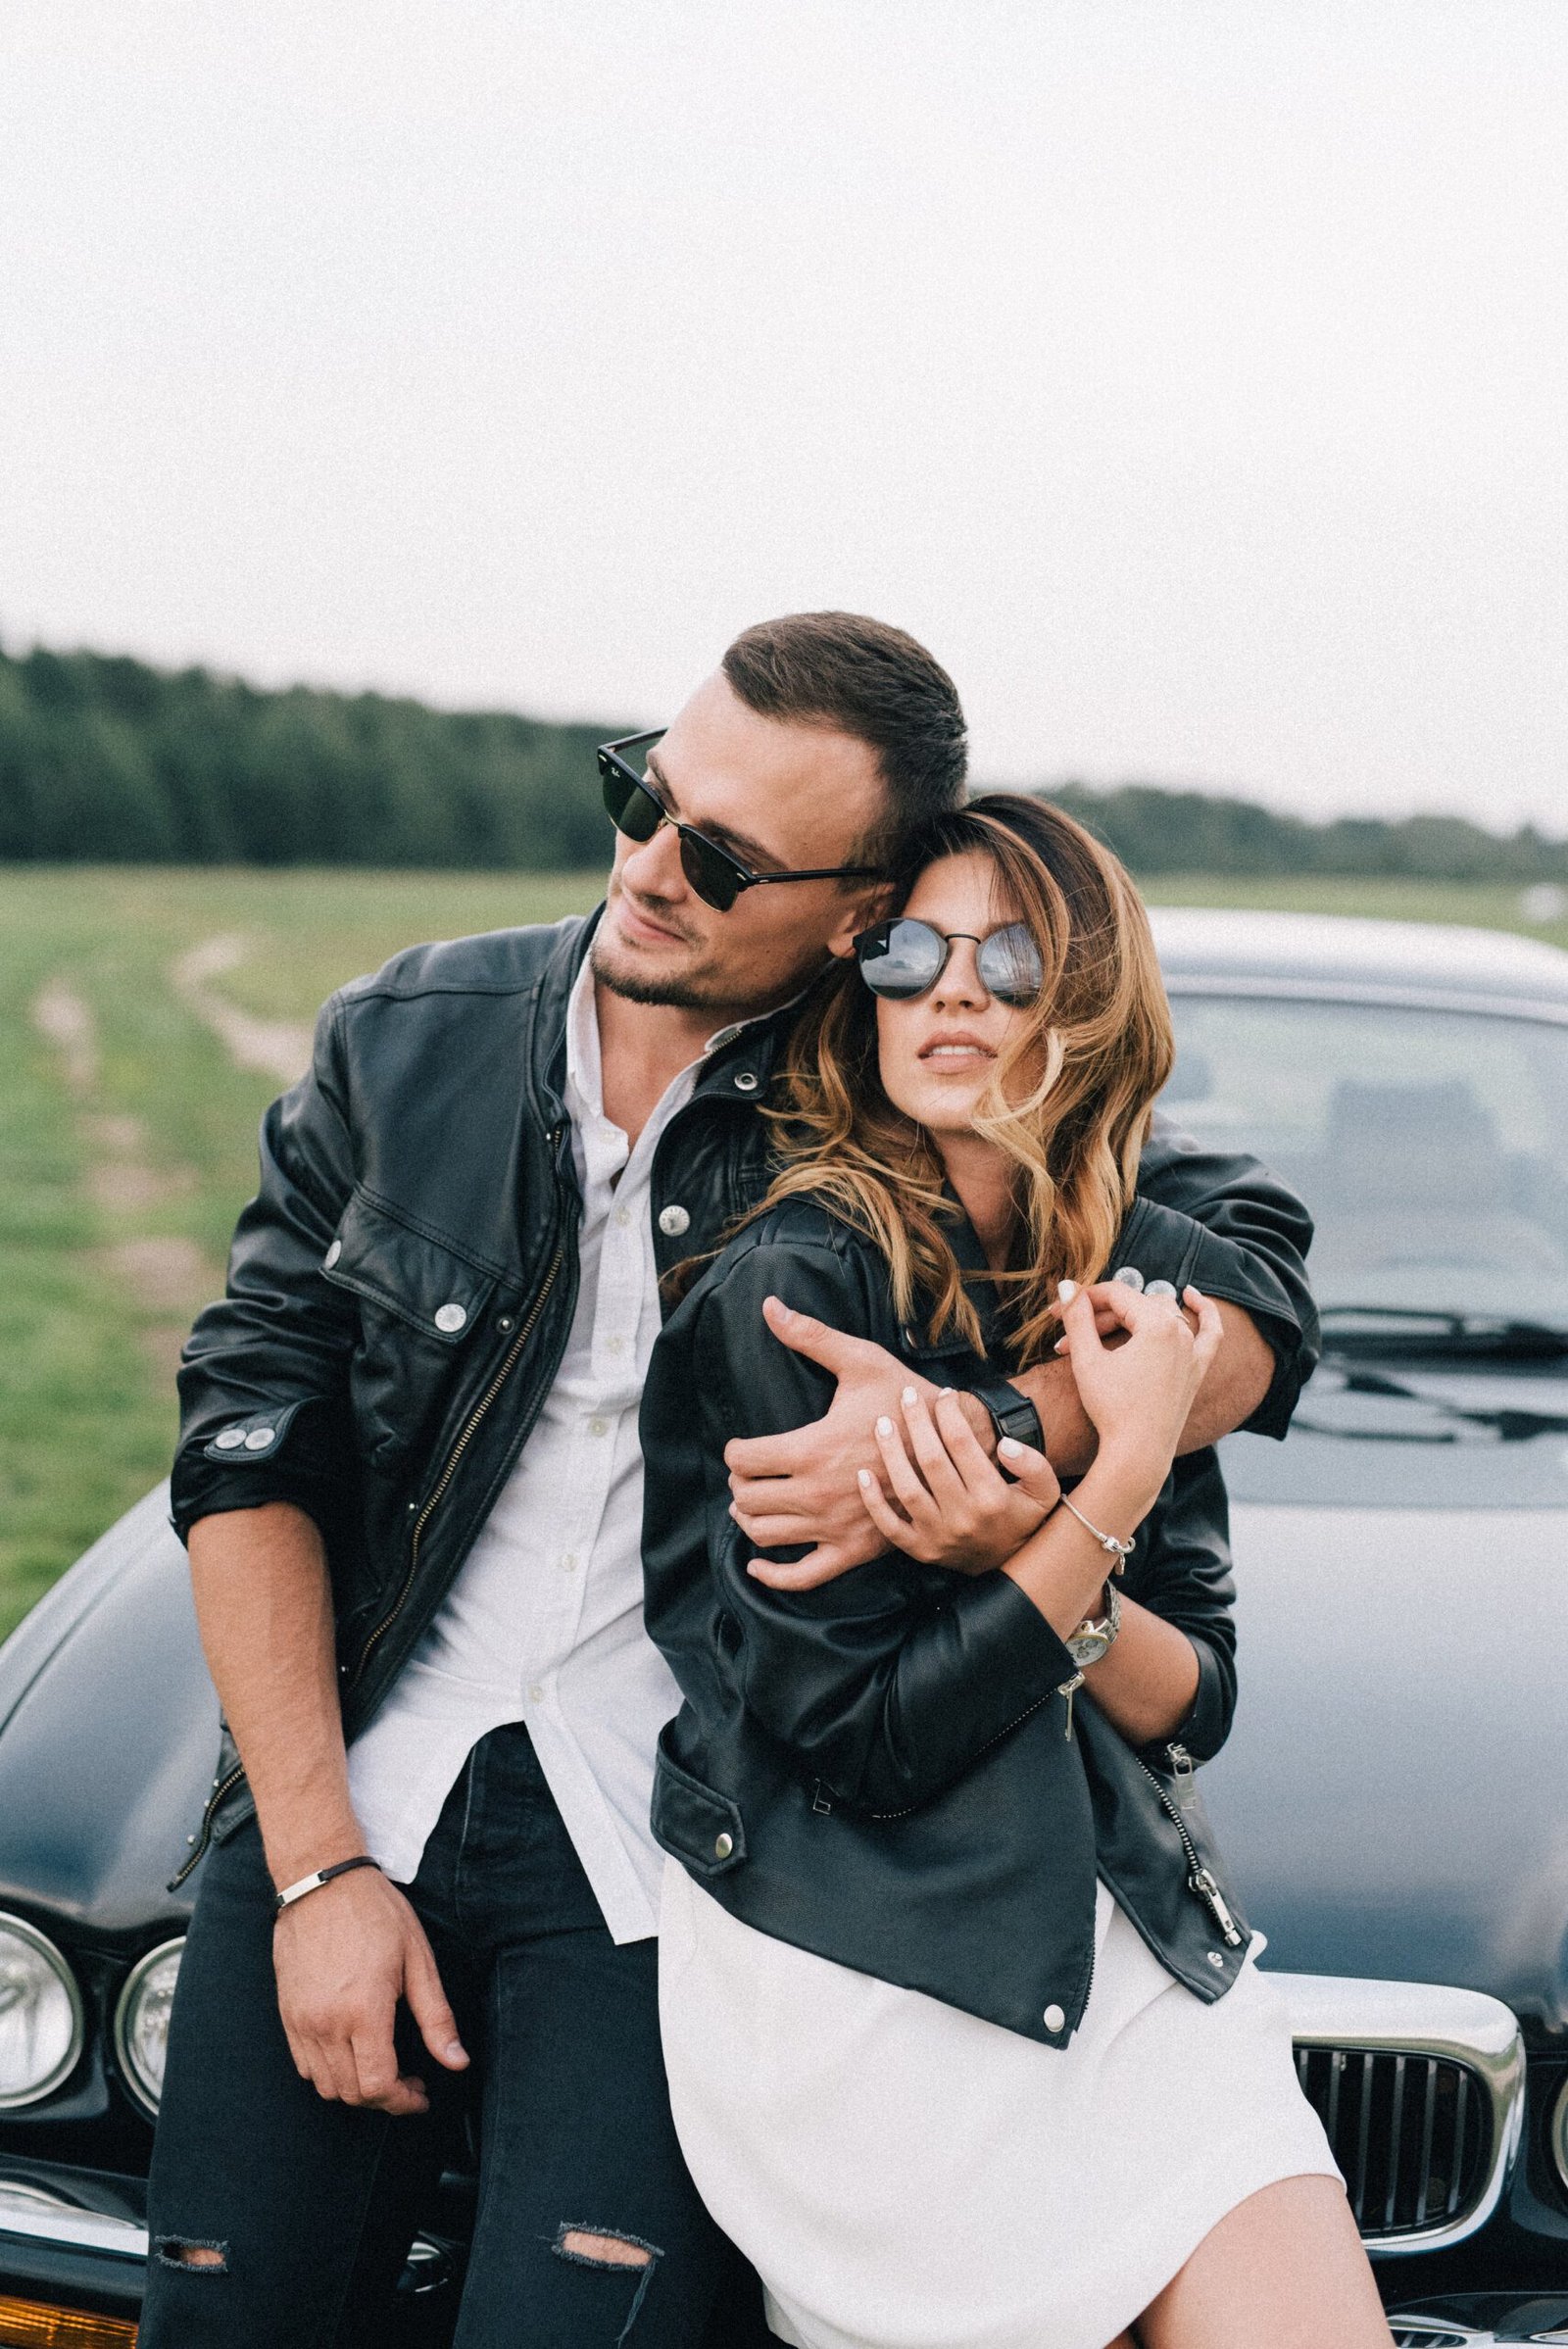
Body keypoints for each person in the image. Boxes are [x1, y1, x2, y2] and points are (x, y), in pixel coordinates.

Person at [143, 614, 1321, 2349]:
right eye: (643, 794)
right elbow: (247, 1430)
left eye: (720, 856)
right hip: (355, 1766)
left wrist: (989, 1428)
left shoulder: (891, 1086)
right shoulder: (407, 1036)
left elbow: (1246, 1271)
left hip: (673, 1833)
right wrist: (319, 1872)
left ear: (857, 914)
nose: (648, 867)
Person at [641, 795, 1393, 2349]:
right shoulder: (796, 1281)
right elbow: (865, 1738)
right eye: (910, 950)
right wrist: (1108, 1477)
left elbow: (1195, 1697)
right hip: (863, 1962)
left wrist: (1038, 1547)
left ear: (1092, 994)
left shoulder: (1135, 1266)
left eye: (1010, 953)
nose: (954, 989)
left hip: (1126, 1940)